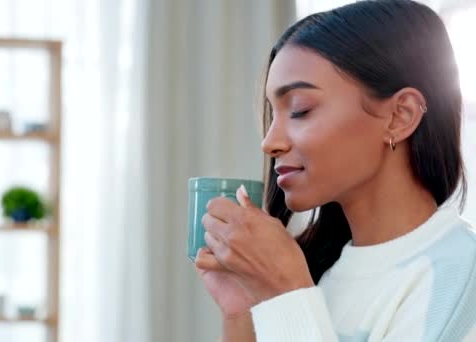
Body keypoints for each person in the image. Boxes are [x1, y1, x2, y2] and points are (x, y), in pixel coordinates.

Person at [194, 0, 476, 341]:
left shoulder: (459, 274)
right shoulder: (319, 268)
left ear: (400, 116)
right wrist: (243, 310)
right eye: (273, 113)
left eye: (300, 110)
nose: (270, 142)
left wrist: (284, 291)